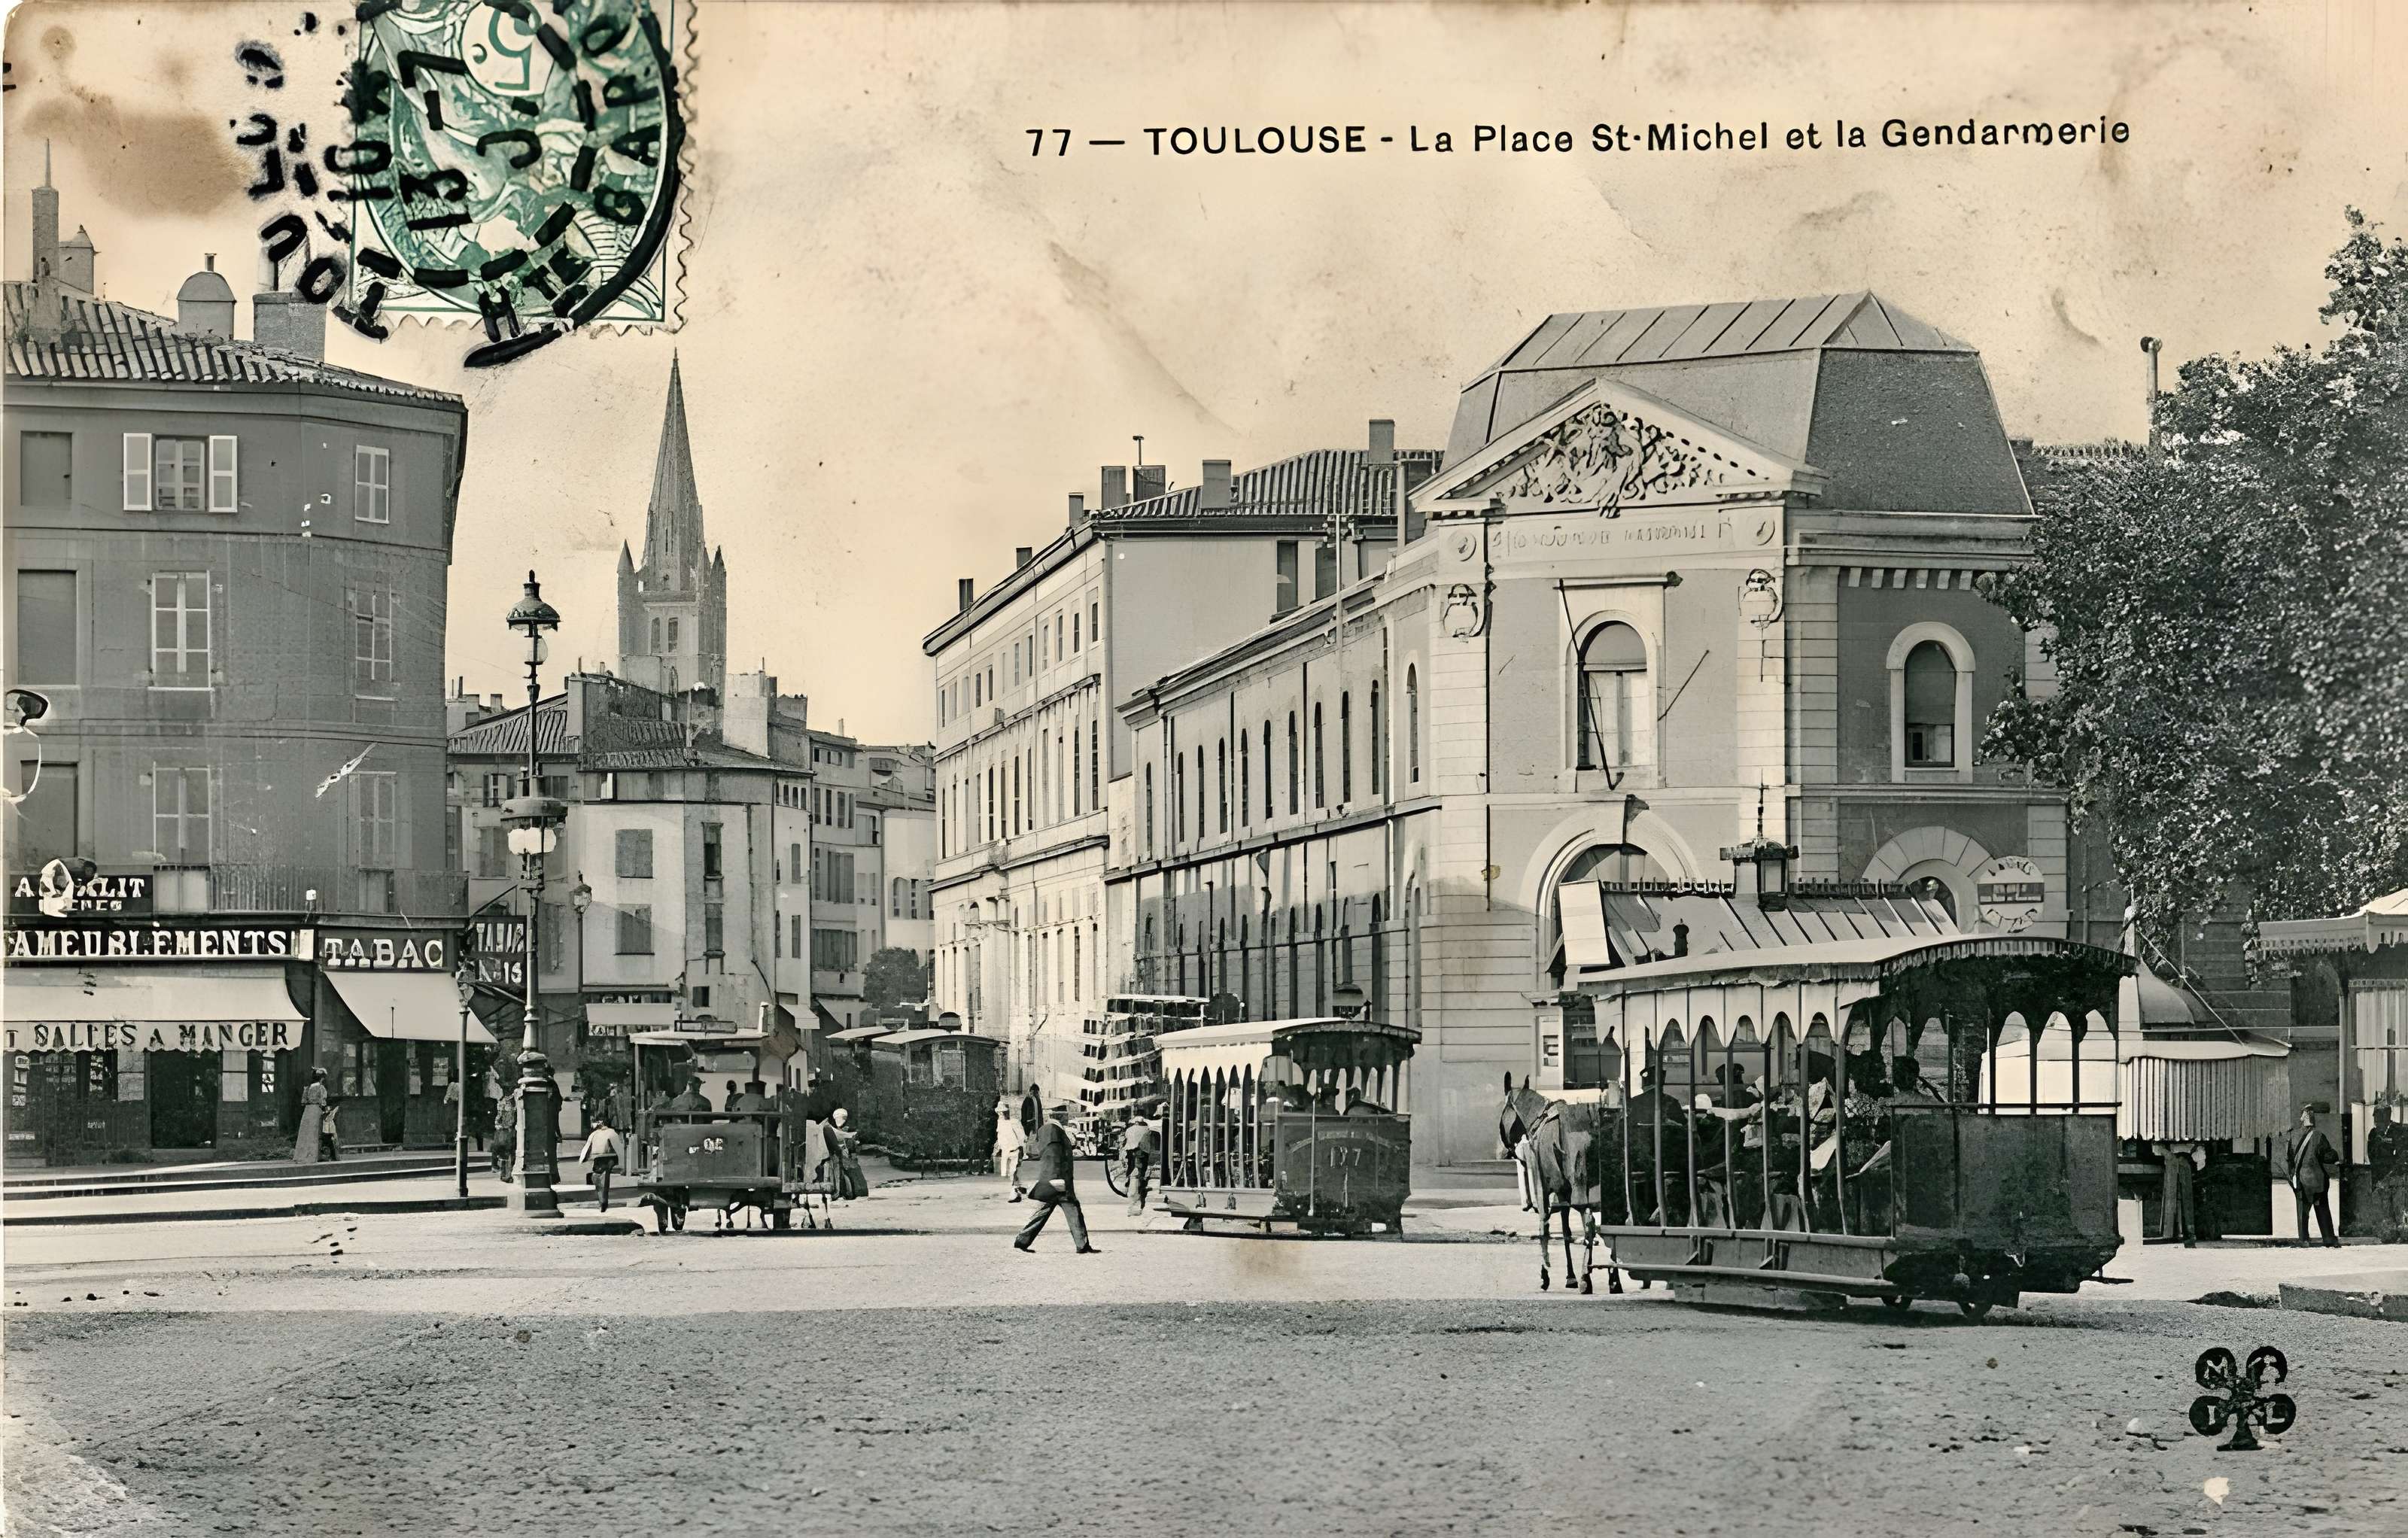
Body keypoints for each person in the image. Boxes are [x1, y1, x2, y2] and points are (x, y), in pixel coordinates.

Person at [1014, 1103, 1099, 1254]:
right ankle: (1082, 1245)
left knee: (1059, 1211)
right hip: (1057, 1181)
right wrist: (1056, 1178)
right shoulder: (1053, 1130)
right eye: (1065, 1114)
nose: (1067, 1117)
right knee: (1063, 1211)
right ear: (1059, 1116)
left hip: (1058, 1180)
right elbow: (1052, 1155)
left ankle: (1022, 1241)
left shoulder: (1051, 1129)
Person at [2285, 1105, 2342, 1248]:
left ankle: (2304, 1239)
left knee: (2302, 1211)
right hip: (2317, 1180)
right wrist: (2335, 1157)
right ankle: (2328, 1238)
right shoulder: (2318, 1136)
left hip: (2301, 1179)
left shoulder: (2293, 1136)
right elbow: (2327, 1156)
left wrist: (2293, 1176)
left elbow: (2290, 1159)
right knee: (2322, 1208)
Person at [2158, 1141, 2202, 1247]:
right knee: (2173, 1197)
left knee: (2186, 1198)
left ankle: (2187, 1232)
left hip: (2184, 1162)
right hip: (2174, 1161)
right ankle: (2171, 1233)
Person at [1120, 1108, 1160, 1217]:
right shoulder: (1147, 1129)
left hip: (1131, 1153)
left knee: (1133, 1173)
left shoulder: (1130, 1130)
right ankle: (1136, 1202)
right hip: (1141, 1153)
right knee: (1138, 1175)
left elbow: (1126, 1141)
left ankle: (1134, 1199)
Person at [580, 1114, 626, 1211]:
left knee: (598, 1181)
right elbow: (619, 1148)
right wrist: (622, 1162)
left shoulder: (594, 1134)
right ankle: (603, 1201)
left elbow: (586, 1147)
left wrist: (583, 1159)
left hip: (597, 1159)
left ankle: (602, 1201)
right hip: (608, 1159)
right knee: (604, 1180)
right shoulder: (612, 1132)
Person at [993, 1094, 1029, 1201]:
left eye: (1002, 1112)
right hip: (1005, 1152)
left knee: (1014, 1172)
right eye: (999, 1112)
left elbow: (1022, 1137)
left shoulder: (1014, 1122)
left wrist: (1024, 1150)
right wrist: (997, 1146)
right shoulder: (1000, 1123)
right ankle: (1020, 1190)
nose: (1000, 1114)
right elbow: (1000, 1137)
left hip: (1015, 1151)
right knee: (1010, 1174)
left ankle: (1015, 1193)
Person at [294, 1068, 331, 1165]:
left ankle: (301, 1156)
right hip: (315, 1110)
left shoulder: (308, 1087)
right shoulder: (321, 1088)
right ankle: (311, 1156)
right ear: (322, 1078)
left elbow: (303, 1102)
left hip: (307, 1110)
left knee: (305, 1132)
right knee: (314, 1133)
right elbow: (323, 1102)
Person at [491, 1087, 518, 1183]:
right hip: (505, 1134)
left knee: (508, 1156)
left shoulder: (511, 1110)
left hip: (509, 1134)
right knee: (506, 1156)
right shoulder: (502, 1111)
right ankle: (506, 1175)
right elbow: (497, 1121)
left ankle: (506, 1175)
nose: (508, 1105)